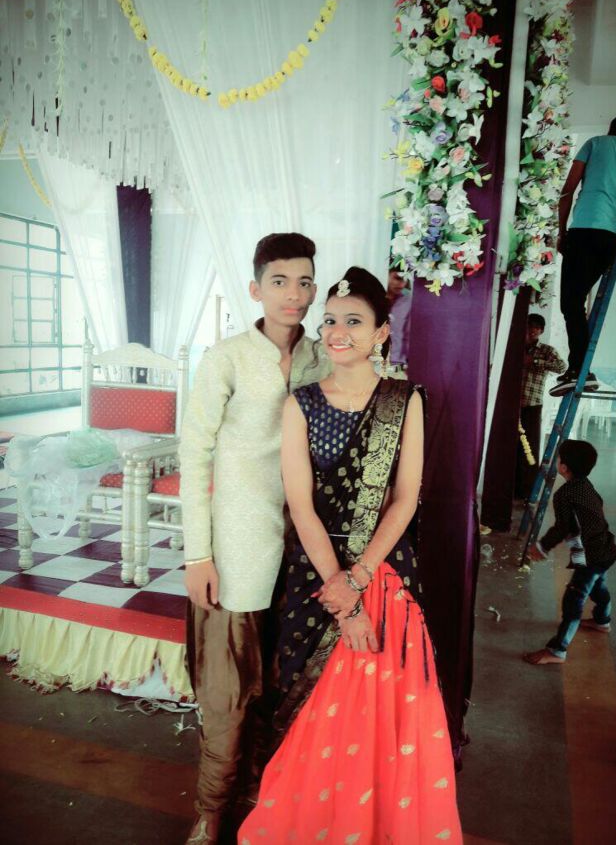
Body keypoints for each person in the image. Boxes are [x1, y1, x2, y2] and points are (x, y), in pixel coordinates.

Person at [239, 267, 462, 844]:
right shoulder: (302, 404)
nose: (338, 332)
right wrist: (339, 591)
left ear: (381, 333)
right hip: (314, 576)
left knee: (380, 723)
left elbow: (406, 497)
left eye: (354, 322)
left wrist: (359, 579)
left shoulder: (403, 401)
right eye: (331, 320)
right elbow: (300, 504)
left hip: (384, 573)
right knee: (307, 712)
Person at [178, 232, 331, 843]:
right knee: (227, 691)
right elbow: (195, 456)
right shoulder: (227, 358)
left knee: (284, 681)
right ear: (255, 288)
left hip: (306, 544)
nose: (293, 294)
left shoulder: (325, 355)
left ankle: (262, 800)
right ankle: (210, 812)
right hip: (239, 545)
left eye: (304, 282)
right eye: (279, 281)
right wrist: (198, 554)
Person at [550, 114, 616, 396]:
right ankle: (579, 367)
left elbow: (568, 191)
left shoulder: (595, 143)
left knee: (571, 303)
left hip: (584, 230)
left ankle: (580, 369)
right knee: (576, 301)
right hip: (611, 237)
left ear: (610, 129)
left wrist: (561, 232)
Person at [524, 440, 616, 665]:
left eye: (558, 459)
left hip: (590, 555)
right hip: (605, 548)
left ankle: (557, 650)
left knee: (574, 598)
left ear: (564, 467)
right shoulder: (586, 485)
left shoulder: (564, 494)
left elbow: (562, 527)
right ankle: (602, 621)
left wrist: (542, 547)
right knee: (598, 585)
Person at [515, 314, 566, 500]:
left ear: (541, 331)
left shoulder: (546, 350)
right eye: (529, 326)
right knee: (511, 448)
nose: (532, 330)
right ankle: (511, 488)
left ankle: (527, 490)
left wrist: (535, 362)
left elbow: (562, 367)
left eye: (536, 327)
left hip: (532, 405)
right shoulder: (515, 347)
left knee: (529, 448)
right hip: (511, 406)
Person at [386, 267, 412, 376]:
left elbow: (410, 334)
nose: (402, 284)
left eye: (406, 279)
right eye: (398, 278)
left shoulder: (408, 300)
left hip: (399, 365)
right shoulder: (371, 299)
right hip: (371, 363)